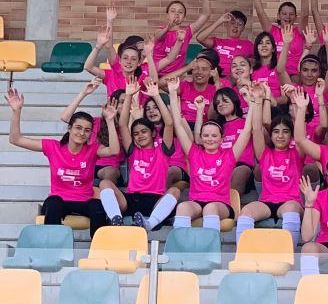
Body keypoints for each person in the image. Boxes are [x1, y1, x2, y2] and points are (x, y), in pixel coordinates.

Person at [7, 89, 122, 236]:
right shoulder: (53, 147)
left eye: (87, 130)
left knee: (97, 206)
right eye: (78, 128)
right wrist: (17, 111)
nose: (82, 133)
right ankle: (52, 251)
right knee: (54, 202)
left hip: (84, 201)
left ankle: (99, 251)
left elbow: (114, 150)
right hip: (59, 200)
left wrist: (110, 121)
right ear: (69, 128)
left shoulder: (92, 150)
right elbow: (15, 139)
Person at [167, 77, 257, 230]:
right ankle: (181, 251)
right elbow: (178, 126)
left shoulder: (228, 155)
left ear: (222, 139)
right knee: (182, 207)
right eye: (206, 136)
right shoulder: (194, 152)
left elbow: (247, 131)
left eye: (214, 136)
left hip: (220, 205)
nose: (210, 139)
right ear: (201, 137)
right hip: (196, 202)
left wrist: (252, 104)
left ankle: (211, 250)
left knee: (210, 208)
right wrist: (172, 93)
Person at [99, 77, 180, 231]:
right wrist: (128, 95)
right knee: (104, 184)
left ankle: (148, 224)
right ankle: (116, 219)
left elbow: (169, 123)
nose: (140, 135)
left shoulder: (162, 148)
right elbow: (122, 124)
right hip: (132, 199)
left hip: (155, 199)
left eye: (144, 132)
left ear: (153, 134)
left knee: (175, 191)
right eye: (136, 133)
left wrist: (156, 95)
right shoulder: (133, 150)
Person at [237, 97, 304, 245]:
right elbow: (256, 130)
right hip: (267, 201)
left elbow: (300, 138)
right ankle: (242, 254)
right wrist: (256, 102)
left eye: (285, 132)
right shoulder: (265, 153)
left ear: (291, 135)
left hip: (290, 201)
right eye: (276, 132)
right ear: (271, 135)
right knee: (246, 212)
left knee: (291, 210)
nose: (280, 136)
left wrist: (299, 107)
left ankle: (289, 254)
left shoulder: (296, 153)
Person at [152, 0, 212, 76]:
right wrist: (168, 28)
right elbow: (158, 36)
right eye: (173, 11)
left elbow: (206, 15)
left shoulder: (186, 32)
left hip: (176, 77)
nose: (176, 14)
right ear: (167, 15)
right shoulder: (160, 30)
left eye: (180, 12)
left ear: (183, 17)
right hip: (156, 75)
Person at [250, 0, 308, 76]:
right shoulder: (272, 31)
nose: (288, 17)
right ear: (278, 16)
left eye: (291, 14)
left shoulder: (298, 31)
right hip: (273, 73)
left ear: (295, 17)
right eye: (284, 14)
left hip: (293, 75)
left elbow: (305, 15)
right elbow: (260, 13)